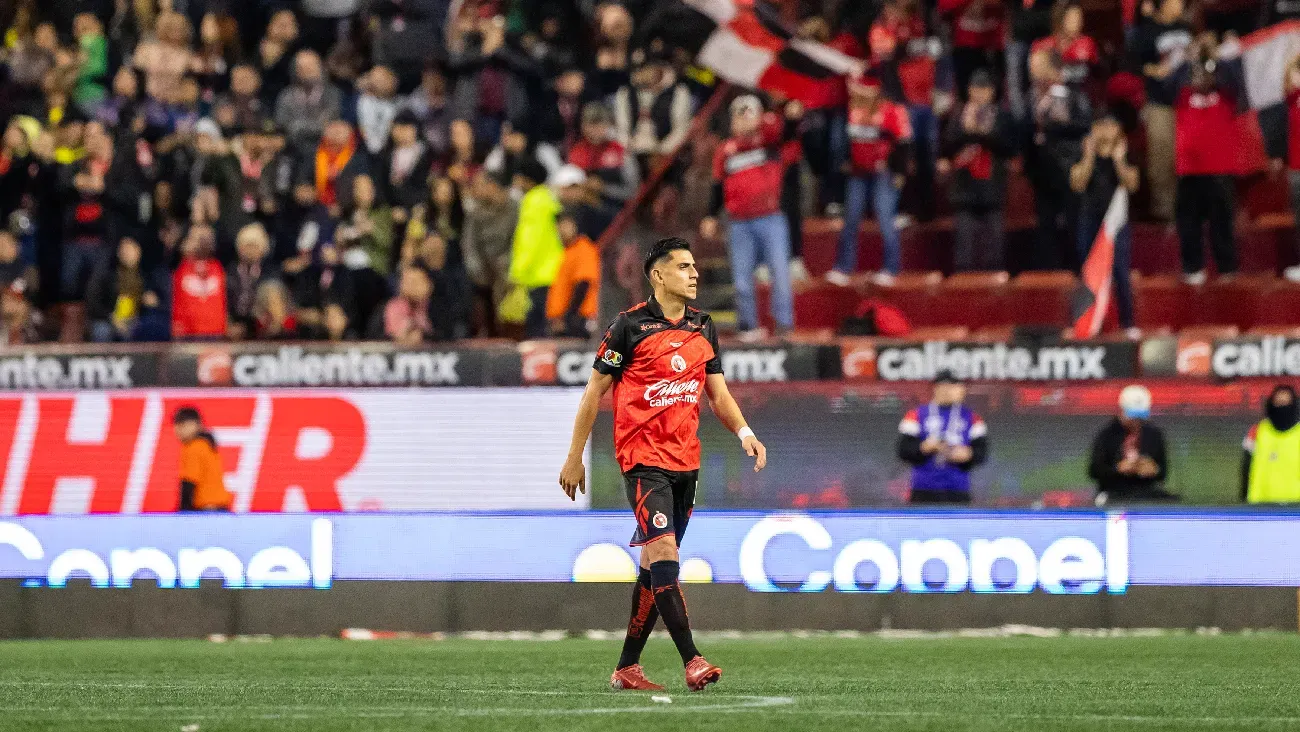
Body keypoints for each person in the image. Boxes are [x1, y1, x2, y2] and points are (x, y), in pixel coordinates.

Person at [558, 237, 767, 693]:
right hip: (642, 461)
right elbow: (594, 391)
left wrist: (745, 433)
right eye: (684, 267)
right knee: (666, 555)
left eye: (694, 266)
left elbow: (717, 393)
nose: (695, 274)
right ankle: (693, 660)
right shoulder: (628, 326)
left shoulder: (703, 326)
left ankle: (627, 667)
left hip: (686, 464)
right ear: (658, 275)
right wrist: (574, 456)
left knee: (654, 568)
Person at [700, 95, 801, 341]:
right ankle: (748, 326)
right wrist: (711, 215)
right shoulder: (725, 150)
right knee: (742, 279)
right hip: (739, 223)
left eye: (748, 114)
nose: (743, 120)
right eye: (739, 115)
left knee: (780, 274)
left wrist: (791, 118)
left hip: (771, 218)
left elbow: (787, 133)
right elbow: (718, 186)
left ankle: (784, 326)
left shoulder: (769, 141)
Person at [831, 72, 911, 287]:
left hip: (884, 174)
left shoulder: (892, 110)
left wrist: (899, 172)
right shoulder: (850, 111)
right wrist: (846, 161)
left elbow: (904, 144)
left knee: (885, 219)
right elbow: (844, 142)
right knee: (851, 218)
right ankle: (843, 267)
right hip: (858, 173)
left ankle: (891, 268)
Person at [1174, 50, 1240, 285]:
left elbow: (1234, 78)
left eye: (1207, 73)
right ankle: (1193, 267)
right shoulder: (1183, 95)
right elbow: (1169, 83)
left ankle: (1227, 267)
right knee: (1188, 222)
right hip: (1189, 169)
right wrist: (1189, 60)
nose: (1202, 78)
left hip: (1219, 168)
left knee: (1221, 222)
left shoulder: (1226, 95)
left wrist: (1215, 57)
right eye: (1197, 74)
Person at [1072, 112, 1141, 334]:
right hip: (1089, 219)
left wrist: (1119, 160)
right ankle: (1088, 323)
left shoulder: (1126, 153)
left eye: (1110, 125)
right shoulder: (1084, 152)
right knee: (1089, 272)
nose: (1105, 130)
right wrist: (1089, 157)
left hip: (1115, 222)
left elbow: (1132, 184)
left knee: (1120, 273)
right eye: (1100, 125)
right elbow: (1077, 184)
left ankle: (1128, 323)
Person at [940, 69, 1014, 272]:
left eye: (984, 89)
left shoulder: (1001, 116)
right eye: (976, 89)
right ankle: (964, 280)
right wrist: (967, 131)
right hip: (965, 188)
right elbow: (947, 146)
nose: (980, 94)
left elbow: (1009, 147)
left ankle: (994, 279)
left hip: (992, 187)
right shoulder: (959, 115)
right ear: (969, 90)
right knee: (964, 245)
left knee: (994, 246)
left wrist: (983, 134)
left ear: (992, 92)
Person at [1131, 0, 1191, 221]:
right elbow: (1133, 63)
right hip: (1159, 103)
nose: (1180, 5)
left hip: (1186, 104)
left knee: (1186, 157)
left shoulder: (1186, 28)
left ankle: (1188, 210)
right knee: (1161, 159)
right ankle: (1164, 212)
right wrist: (1154, 70)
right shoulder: (1148, 31)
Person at [896, 370, 989, 504]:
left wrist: (968, 455)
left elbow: (981, 452)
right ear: (940, 388)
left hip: (958, 491)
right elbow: (903, 450)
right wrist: (924, 447)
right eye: (956, 386)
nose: (962, 390)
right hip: (923, 490)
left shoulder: (972, 418)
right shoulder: (916, 415)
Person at [1089, 385, 1175, 504]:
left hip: (1146, 491)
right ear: (1122, 410)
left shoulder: (1154, 435)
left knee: (1172, 501)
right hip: (1113, 491)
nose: (1137, 420)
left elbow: (1162, 473)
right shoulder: (1107, 435)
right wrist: (1118, 469)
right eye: (1133, 416)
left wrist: (1153, 470)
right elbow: (1094, 471)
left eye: (1140, 416)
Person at [508, 160, 565, 339]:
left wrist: (517, 272)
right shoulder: (547, 198)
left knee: (536, 326)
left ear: (528, 179)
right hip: (552, 269)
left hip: (538, 273)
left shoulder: (533, 202)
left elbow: (530, 240)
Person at [1242, 385, 1300, 504]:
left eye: (1286, 402)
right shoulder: (1257, 431)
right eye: (1279, 402)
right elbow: (1246, 467)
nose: (1282, 407)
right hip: (1261, 504)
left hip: (1295, 505)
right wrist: (1244, 497)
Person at [546, 213, 600, 338]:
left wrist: (569, 318)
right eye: (559, 226)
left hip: (580, 319)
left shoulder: (584, 248)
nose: (562, 230)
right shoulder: (568, 251)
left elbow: (584, 284)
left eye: (566, 225)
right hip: (565, 321)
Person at [173, 406, 233, 512]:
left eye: (182, 425)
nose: (177, 430)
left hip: (207, 510)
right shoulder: (207, 444)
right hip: (221, 507)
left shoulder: (194, 447)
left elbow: (189, 483)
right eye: (176, 425)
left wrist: (183, 513)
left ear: (195, 425)